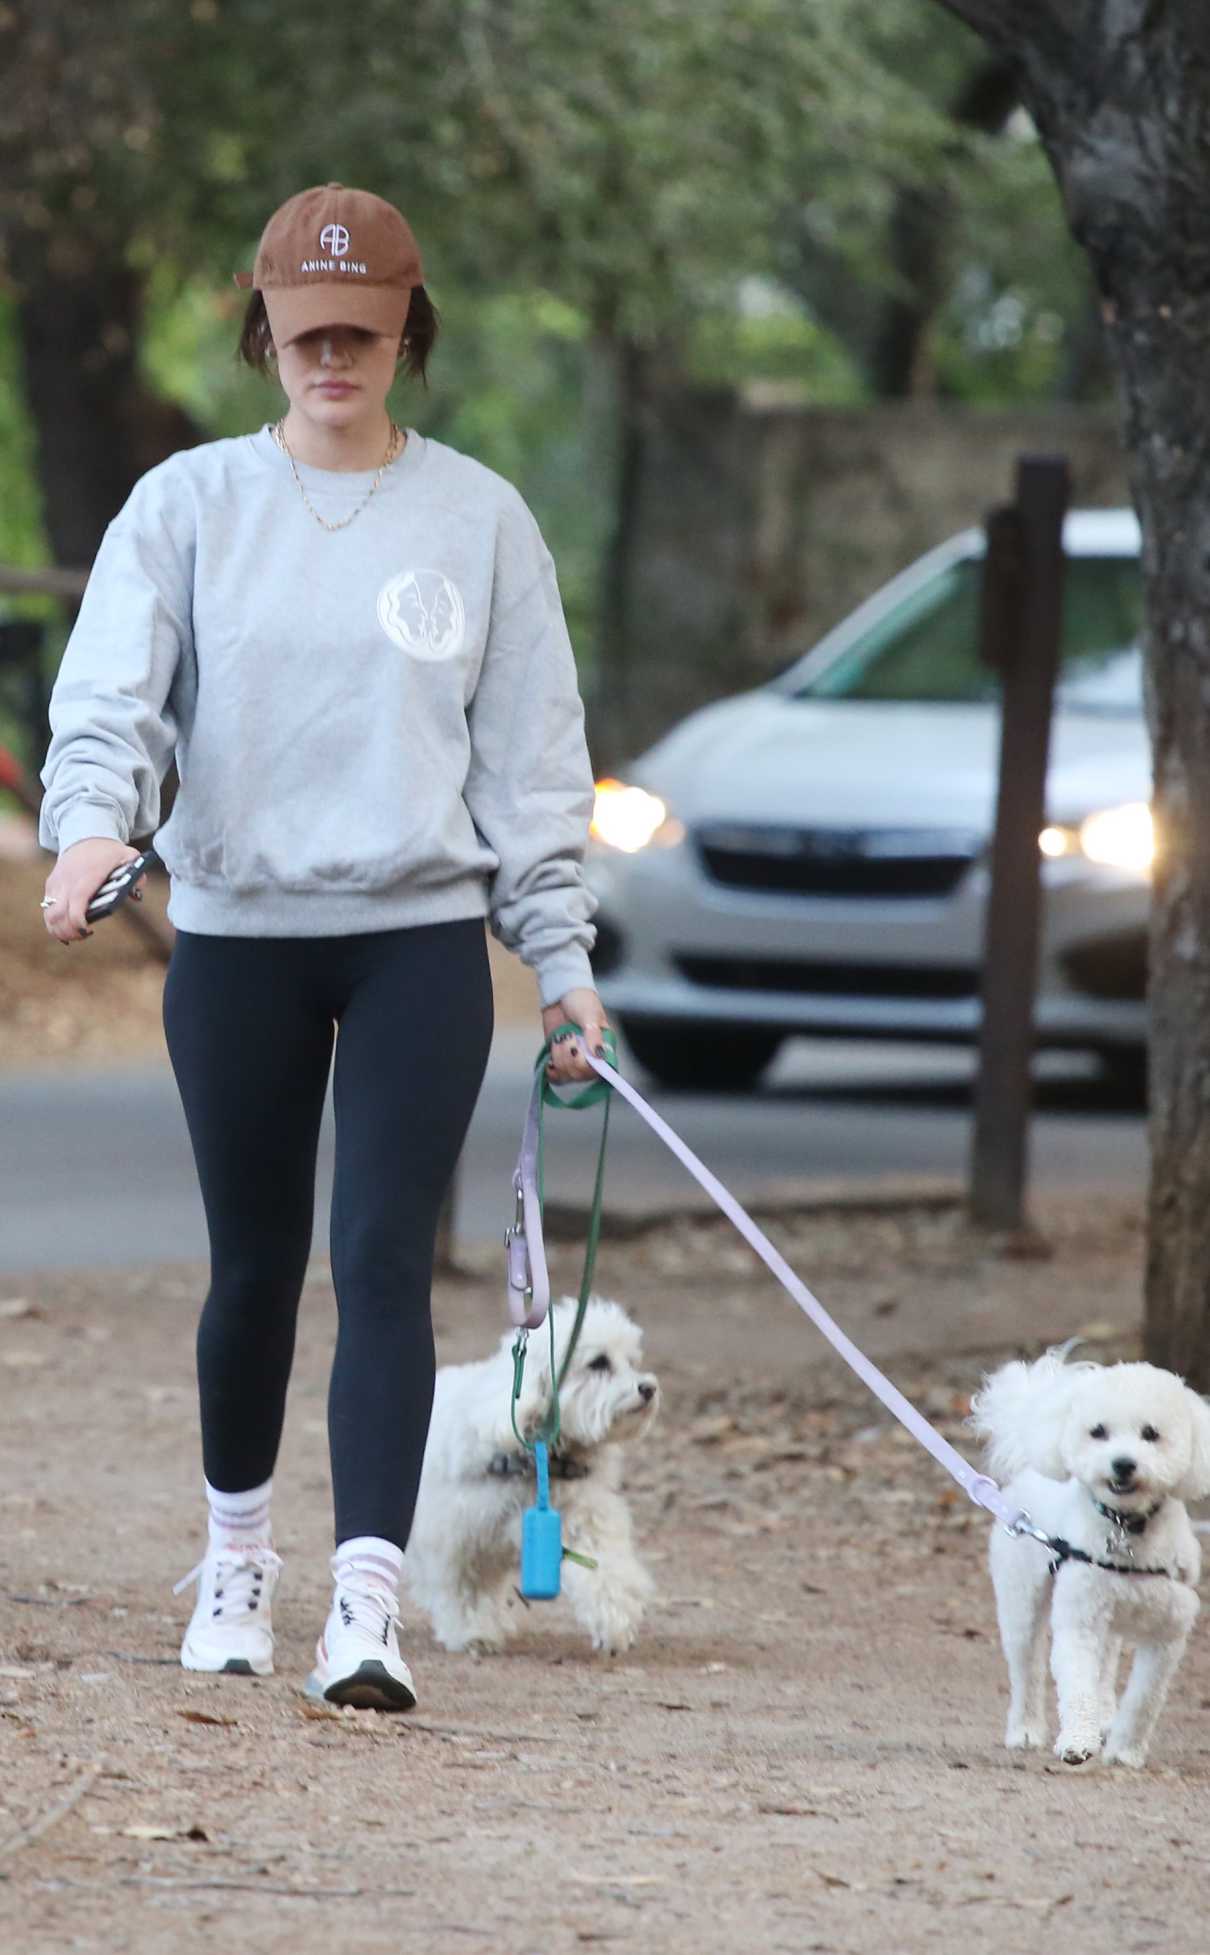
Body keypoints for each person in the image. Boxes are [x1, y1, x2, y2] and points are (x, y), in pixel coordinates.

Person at [38, 182, 609, 1711]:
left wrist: (560, 962)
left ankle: (366, 1606)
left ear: (407, 331)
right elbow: (112, 696)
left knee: (379, 1263)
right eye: (306, 332)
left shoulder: (480, 518)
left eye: (363, 331)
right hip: (238, 938)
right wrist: (91, 826)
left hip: (417, 937)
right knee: (253, 1265)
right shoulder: (189, 505)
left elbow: (531, 760)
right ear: (264, 332)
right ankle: (236, 1563)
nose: (333, 358)